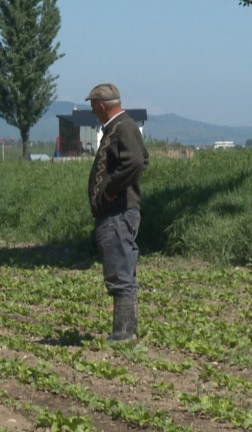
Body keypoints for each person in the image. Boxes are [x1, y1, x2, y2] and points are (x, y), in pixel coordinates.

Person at [85, 83, 149, 343]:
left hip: (118, 213)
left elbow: (136, 161)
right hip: (116, 213)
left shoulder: (123, 127)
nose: (93, 112)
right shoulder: (120, 127)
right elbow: (142, 158)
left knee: (120, 271)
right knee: (122, 269)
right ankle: (125, 331)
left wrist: (111, 188)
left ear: (101, 106)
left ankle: (123, 334)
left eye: (93, 107)